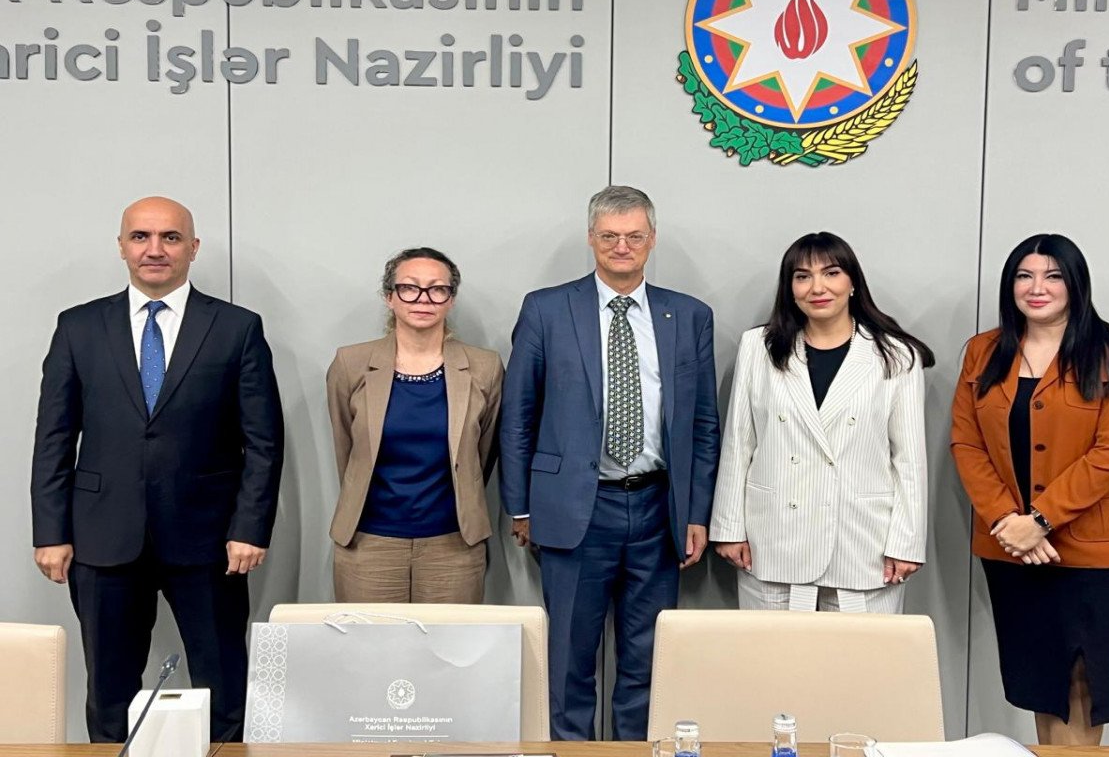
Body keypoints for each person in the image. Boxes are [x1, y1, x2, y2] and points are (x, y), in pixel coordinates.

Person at [30, 196, 284, 742]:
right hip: (102, 538)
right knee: (109, 694)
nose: (155, 249)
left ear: (193, 248)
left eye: (170, 237)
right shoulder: (78, 326)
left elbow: (263, 442)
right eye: (140, 236)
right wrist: (51, 532)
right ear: (121, 247)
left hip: (210, 540)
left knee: (223, 688)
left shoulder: (236, 328)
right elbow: (53, 437)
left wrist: (250, 527)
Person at [499, 185, 720, 740]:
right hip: (576, 507)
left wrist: (696, 513)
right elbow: (518, 414)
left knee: (647, 660)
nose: (622, 246)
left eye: (634, 236)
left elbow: (703, 424)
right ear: (591, 238)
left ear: (652, 239)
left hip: (658, 508)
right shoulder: (547, 308)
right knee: (569, 660)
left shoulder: (689, 315)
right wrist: (519, 507)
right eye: (610, 236)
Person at [951, 233, 1109, 746]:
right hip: (1013, 547)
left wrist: (1039, 520)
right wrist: (1007, 521)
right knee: (1041, 682)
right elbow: (967, 443)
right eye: (1024, 275)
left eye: (1053, 276)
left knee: (1084, 682)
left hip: (1096, 548)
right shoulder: (983, 352)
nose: (1037, 287)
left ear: (1075, 283)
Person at [710, 232, 933, 613]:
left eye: (831, 273)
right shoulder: (759, 348)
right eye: (802, 276)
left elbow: (909, 460)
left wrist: (906, 543)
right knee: (775, 652)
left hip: (864, 542)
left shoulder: (896, 355)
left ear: (852, 282)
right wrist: (728, 528)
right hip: (773, 539)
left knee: (859, 653)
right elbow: (739, 444)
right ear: (790, 288)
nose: (817, 287)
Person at [325, 247, 503, 603]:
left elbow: (482, 454)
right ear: (389, 296)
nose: (423, 298)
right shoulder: (351, 363)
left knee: (451, 641)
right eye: (409, 287)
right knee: (368, 640)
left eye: (437, 289)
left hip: (454, 545)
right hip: (368, 543)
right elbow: (347, 448)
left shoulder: (485, 367)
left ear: (451, 299)